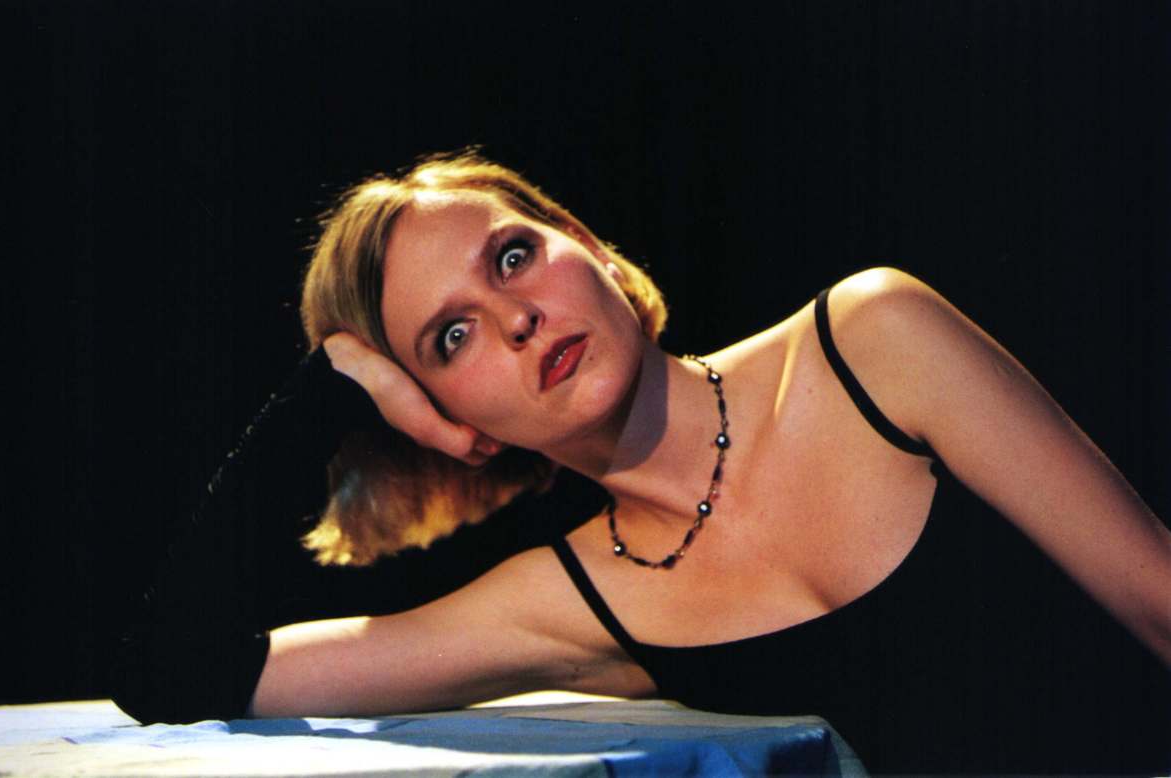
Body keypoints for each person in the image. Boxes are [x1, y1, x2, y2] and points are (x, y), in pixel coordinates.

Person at [112, 151, 1171, 774]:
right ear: (441, 414)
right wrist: (328, 392)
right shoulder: (567, 602)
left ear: (586, 245)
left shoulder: (869, 339)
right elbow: (176, 674)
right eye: (452, 337)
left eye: (513, 256)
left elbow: (1158, 604)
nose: (517, 318)